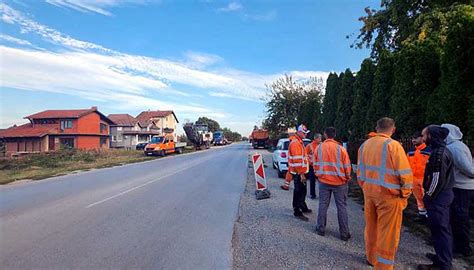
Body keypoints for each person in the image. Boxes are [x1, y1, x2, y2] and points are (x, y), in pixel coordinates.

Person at [357, 117, 413, 269]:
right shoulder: (394, 146)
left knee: (371, 228)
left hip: (369, 194)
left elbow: (360, 173)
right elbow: (405, 175)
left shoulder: (364, 146)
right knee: (387, 234)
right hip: (389, 197)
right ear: (393, 129)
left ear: (377, 128)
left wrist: (366, 188)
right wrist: (405, 194)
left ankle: (371, 258)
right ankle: (383, 266)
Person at [418, 125, 455, 270]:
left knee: (440, 229)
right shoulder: (440, 151)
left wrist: (428, 196)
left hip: (439, 197)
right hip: (442, 196)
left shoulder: (439, 154)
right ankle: (442, 256)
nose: (422, 138)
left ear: (431, 136)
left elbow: (437, 179)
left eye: (423, 135)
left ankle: (443, 264)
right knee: (441, 228)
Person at [441, 123, 474, 258]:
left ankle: (463, 248)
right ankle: (457, 244)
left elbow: (468, 169)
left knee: (460, 218)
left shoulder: (455, 148)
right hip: (459, 186)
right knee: (456, 217)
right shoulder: (454, 146)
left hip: (462, 187)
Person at [314, 127, 352, 241]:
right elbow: (347, 166)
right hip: (340, 183)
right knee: (341, 207)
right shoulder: (341, 149)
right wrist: (347, 177)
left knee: (323, 205)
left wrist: (318, 175)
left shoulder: (319, 148)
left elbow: (314, 163)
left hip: (324, 181)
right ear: (334, 135)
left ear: (325, 135)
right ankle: (344, 234)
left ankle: (321, 229)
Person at [288, 124, 312, 221]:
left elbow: (302, 158)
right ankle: (297, 210)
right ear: (299, 132)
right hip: (298, 172)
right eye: (305, 132)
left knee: (302, 191)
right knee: (299, 191)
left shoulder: (299, 142)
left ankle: (302, 206)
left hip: (300, 171)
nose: (306, 134)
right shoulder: (295, 143)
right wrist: (301, 173)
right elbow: (297, 160)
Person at [407, 130, 431, 218]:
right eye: (412, 138)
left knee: (427, 197)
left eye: (416, 138)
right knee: (418, 198)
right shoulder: (410, 152)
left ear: (422, 138)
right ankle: (422, 215)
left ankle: (429, 215)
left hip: (425, 179)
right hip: (414, 179)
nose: (413, 140)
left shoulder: (429, 150)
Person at [306, 133, 322, 199]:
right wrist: (309, 161)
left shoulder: (322, 145)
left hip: (320, 166)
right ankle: (313, 195)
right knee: (312, 181)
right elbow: (305, 154)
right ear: (315, 138)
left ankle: (322, 195)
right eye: (320, 138)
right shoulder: (309, 146)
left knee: (321, 182)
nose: (321, 139)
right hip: (312, 166)